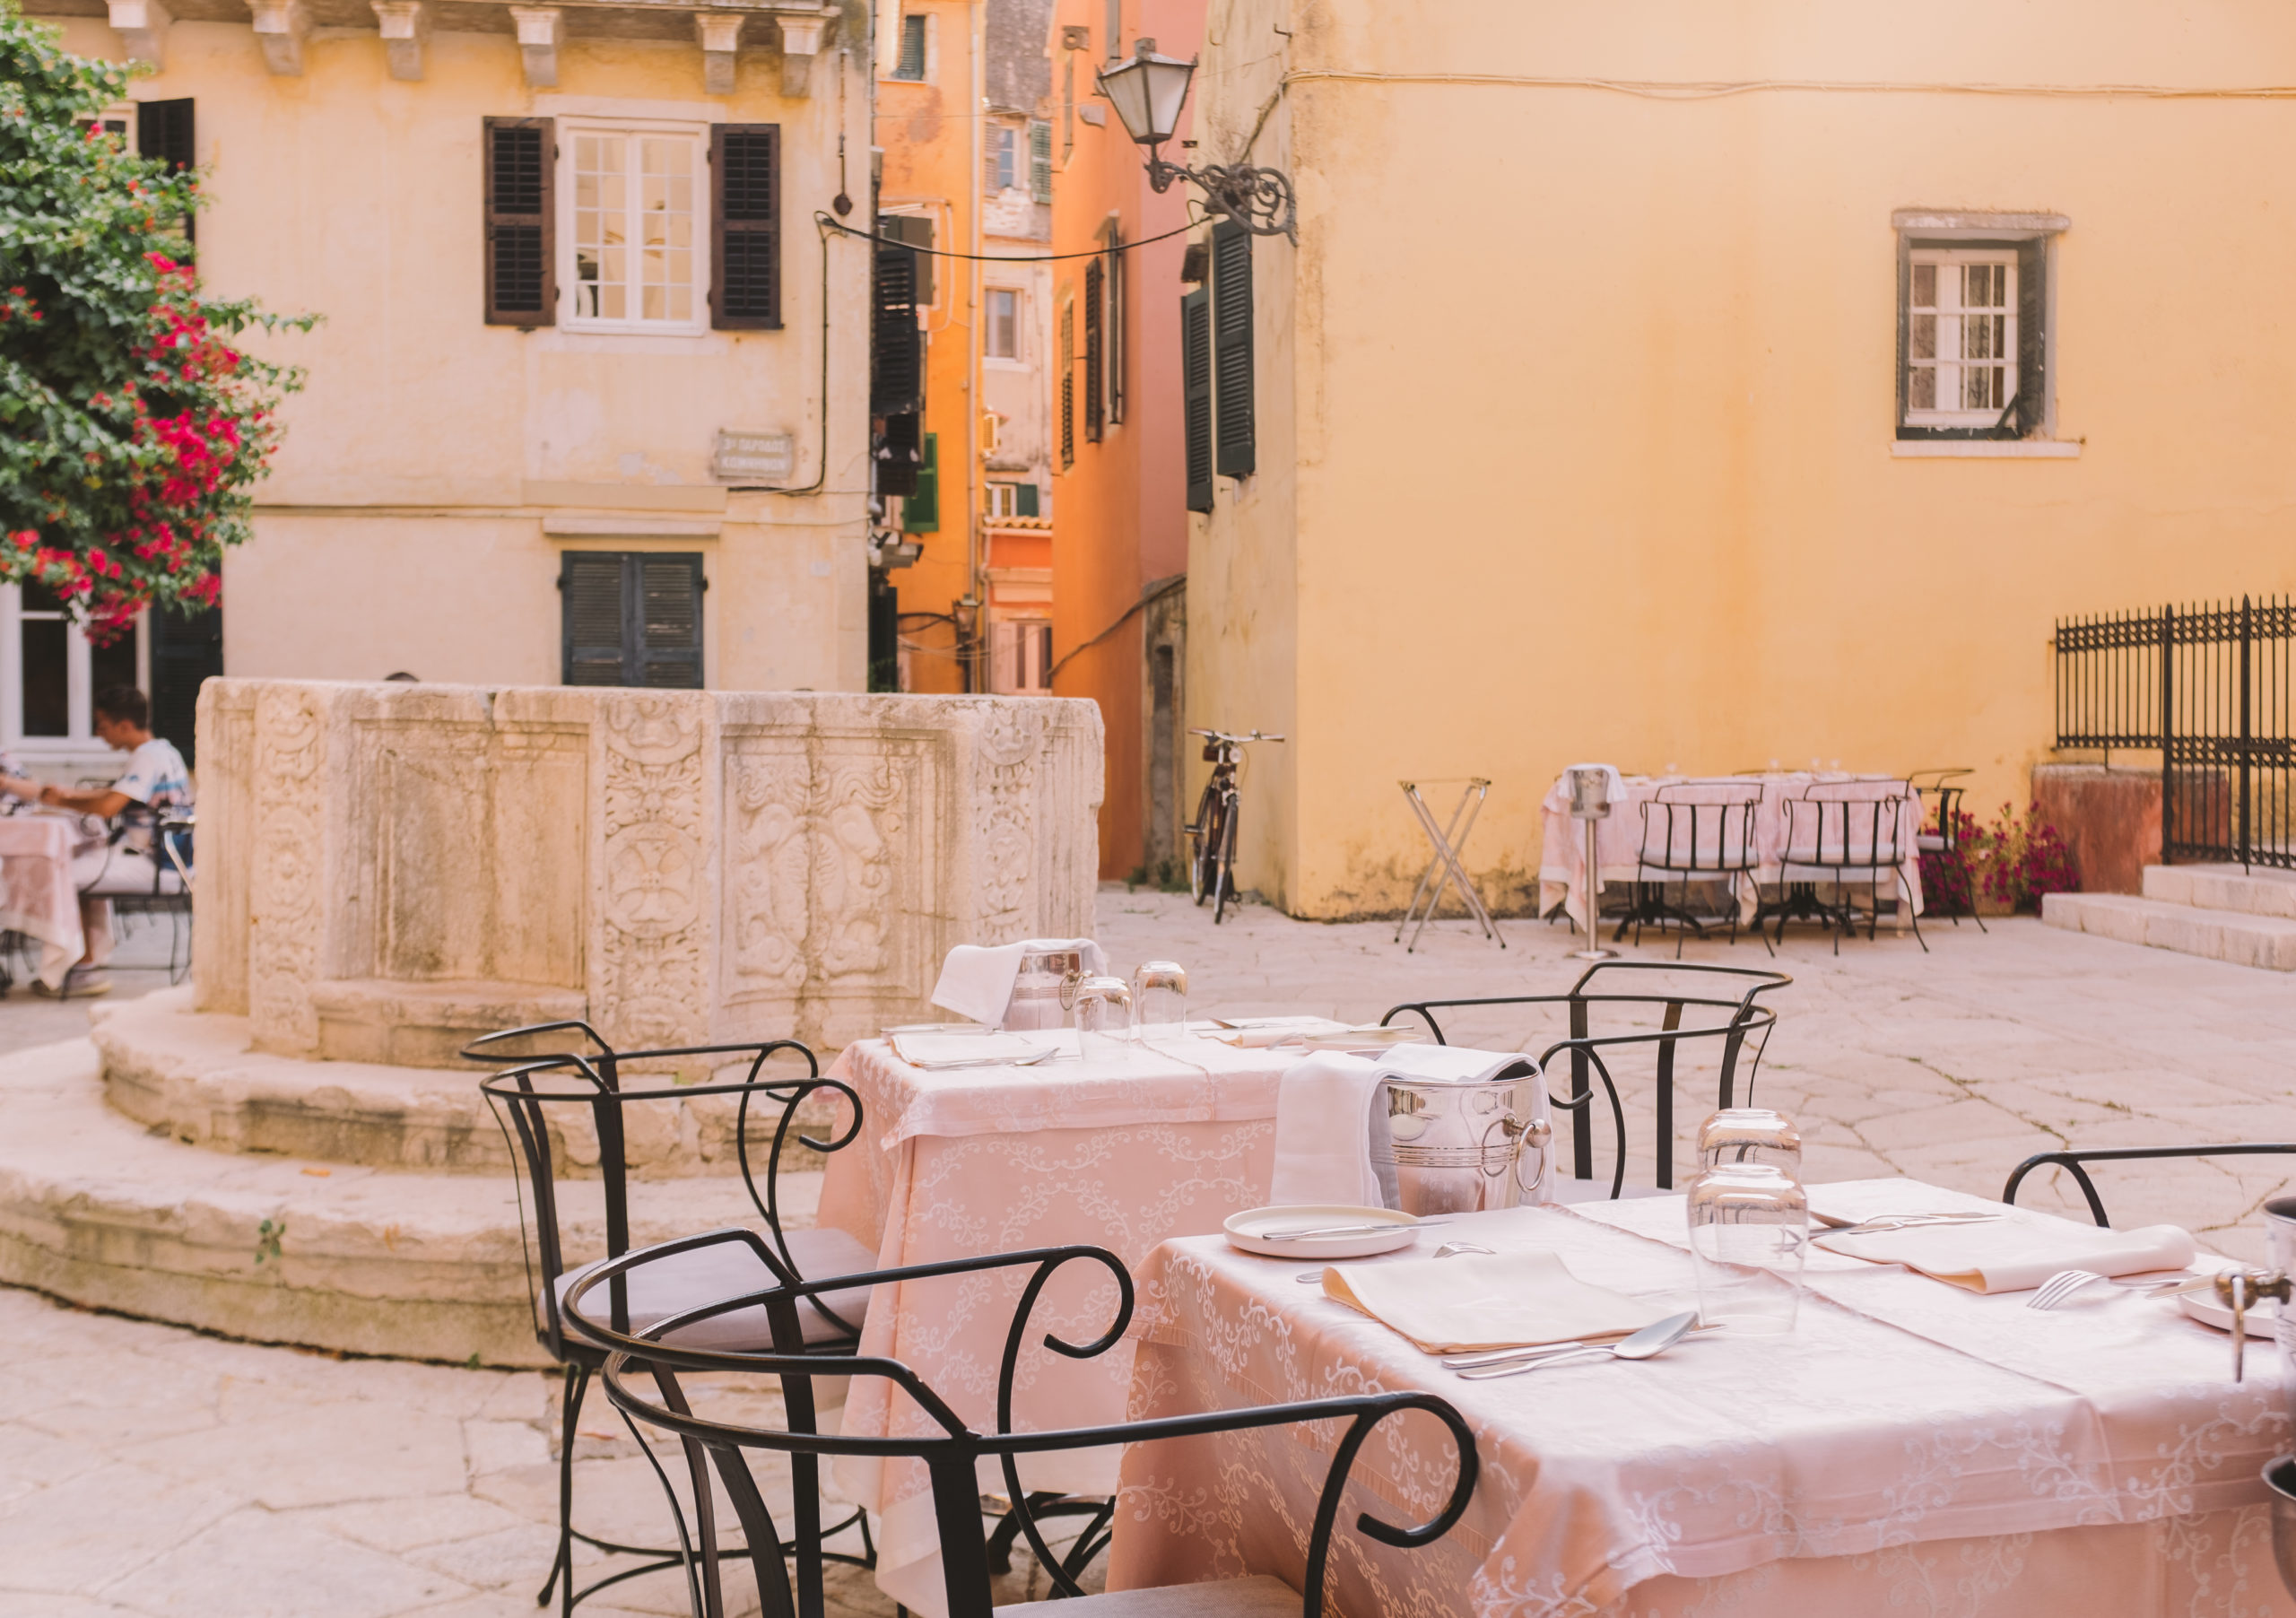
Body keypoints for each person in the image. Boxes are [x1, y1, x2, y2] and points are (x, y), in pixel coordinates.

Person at [0, 686, 192, 996]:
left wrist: (65, 801)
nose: (99, 734)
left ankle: (78, 968)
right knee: (83, 863)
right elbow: (116, 795)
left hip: (155, 863)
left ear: (124, 726)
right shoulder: (163, 750)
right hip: (170, 859)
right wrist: (69, 795)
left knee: (62, 875)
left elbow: (107, 807)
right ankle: (87, 959)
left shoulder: (146, 758)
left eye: (102, 726)